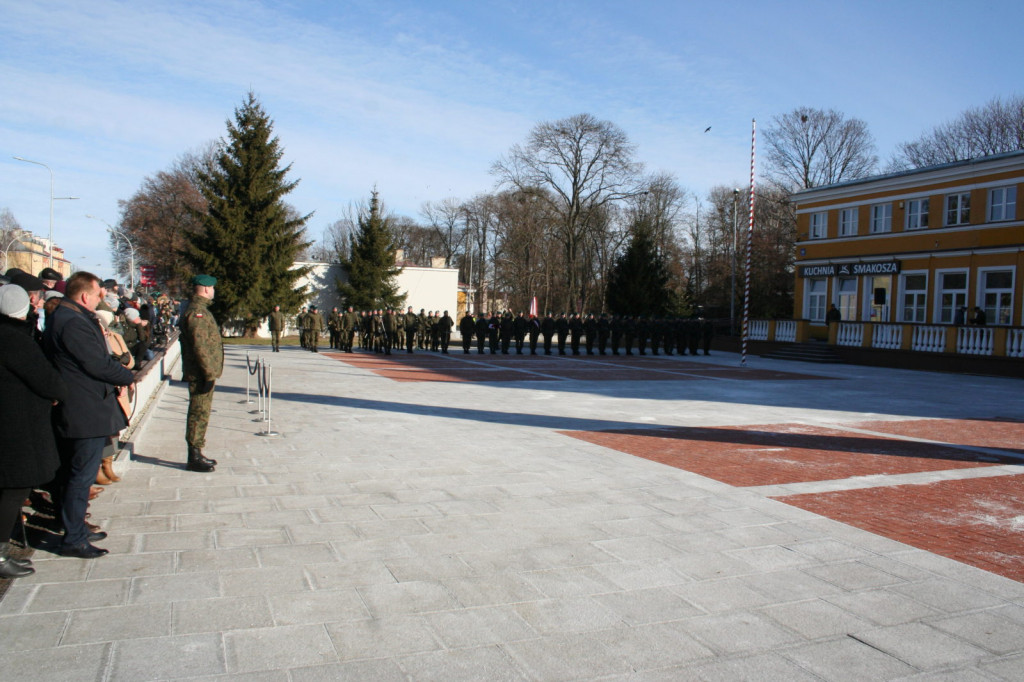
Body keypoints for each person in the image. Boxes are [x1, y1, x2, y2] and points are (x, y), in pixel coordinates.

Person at [44, 272, 135, 559]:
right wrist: (126, 375)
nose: (101, 299)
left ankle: (75, 526)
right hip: (85, 409)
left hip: (85, 406)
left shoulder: (71, 317)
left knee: (76, 473)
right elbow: (95, 364)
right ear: (85, 296)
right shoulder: (72, 322)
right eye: (98, 295)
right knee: (80, 475)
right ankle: (74, 537)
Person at [0, 284, 67, 576]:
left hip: (11, 424)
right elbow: (48, 381)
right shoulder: (13, 339)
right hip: (15, 428)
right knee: (13, 490)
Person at [179, 274, 222, 474]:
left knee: (201, 412)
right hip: (200, 374)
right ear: (206, 289)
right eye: (212, 288)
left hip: (202, 372)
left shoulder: (200, 311)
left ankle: (197, 451)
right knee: (198, 413)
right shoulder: (197, 313)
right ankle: (193, 456)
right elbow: (200, 347)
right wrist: (207, 373)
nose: (213, 291)